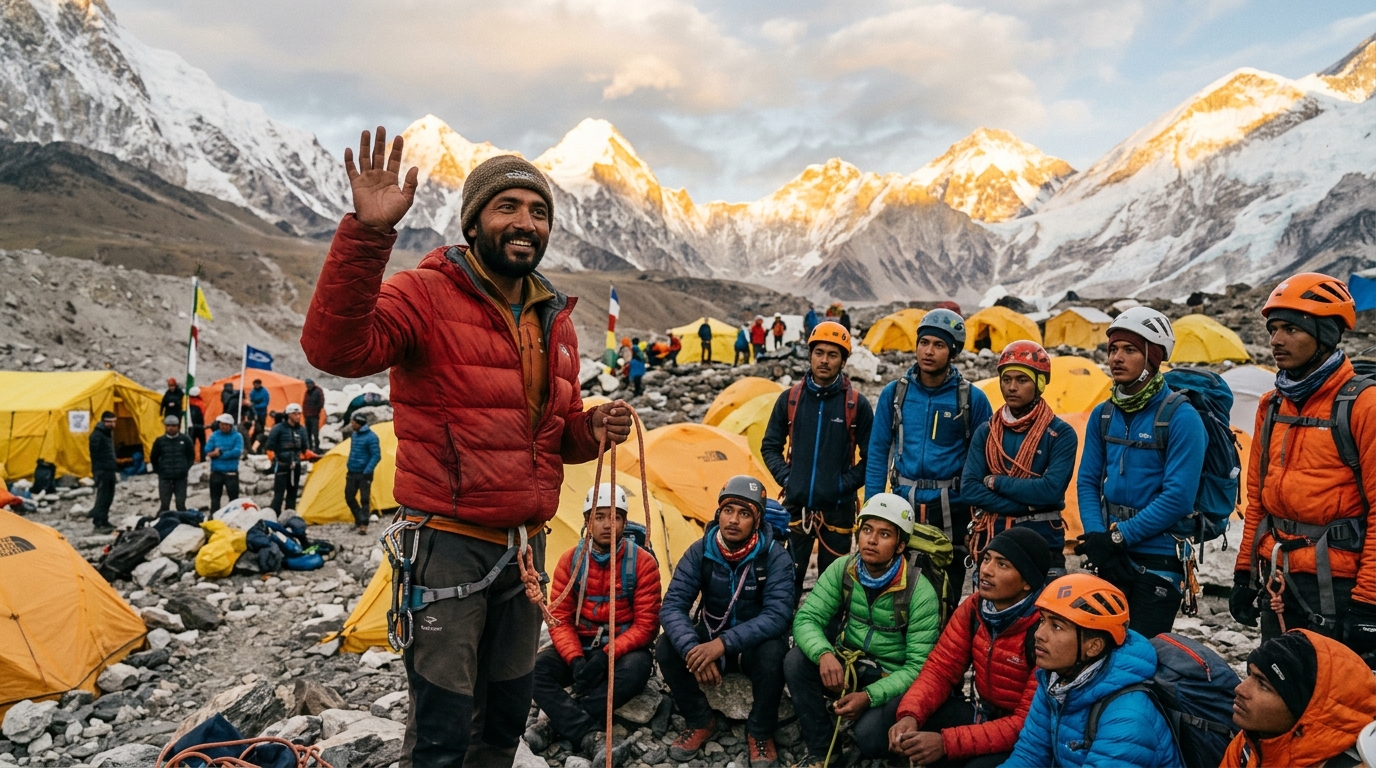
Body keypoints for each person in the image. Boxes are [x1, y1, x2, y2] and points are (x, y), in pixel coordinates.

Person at [300, 133, 630, 767]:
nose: (525, 223)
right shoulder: (424, 295)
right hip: (447, 545)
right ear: (474, 219)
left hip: (523, 552)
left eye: (538, 213)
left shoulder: (552, 317)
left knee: (504, 721)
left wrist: (592, 430)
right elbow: (334, 351)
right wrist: (368, 236)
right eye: (507, 207)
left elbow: (554, 432)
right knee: (444, 730)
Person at [1230, 274, 1376, 649]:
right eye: (1273, 329)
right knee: (1276, 695)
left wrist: (1368, 602)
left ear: (1326, 334)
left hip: (1341, 587)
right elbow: (1257, 499)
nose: (1276, 340)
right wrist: (1245, 573)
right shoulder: (1271, 405)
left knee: (1332, 702)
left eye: (1291, 329)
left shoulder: (1364, 405)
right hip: (1278, 578)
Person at [1075, 307, 1205, 638]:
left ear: (1153, 357)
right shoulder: (1103, 415)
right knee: (1096, 650)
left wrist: (1118, 537)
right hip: (1110, 552)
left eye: (1130, 350)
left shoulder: (1181, 417)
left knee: (1140, 656)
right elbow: (1089, 481)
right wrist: (1095, 537)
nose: (1116, 358)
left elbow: (1178, 498)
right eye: (1113, 349)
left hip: (1160, 558)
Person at [785, 493, 942, 765]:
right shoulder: (843, 569)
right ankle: (823, 752)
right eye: (867, 529)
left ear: (900, 545)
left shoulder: (920, 592)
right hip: (849, 663)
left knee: (869, 738)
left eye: (884, 534)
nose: (871, 539)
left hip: (891, 675)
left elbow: (918, 667)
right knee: (796, 661)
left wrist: (869, 698)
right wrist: (824, 654)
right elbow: (806, 618)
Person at [658, 476, 794, 766]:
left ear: (757, 521)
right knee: (667, 646)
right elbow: (672, 606)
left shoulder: (775, 557)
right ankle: (700, 720)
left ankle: (759, 730)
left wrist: (722, 645)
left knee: (775, 654)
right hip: (710, 633)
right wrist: (694, 649)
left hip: (752, 646)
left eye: (745, 513)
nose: (733, 520)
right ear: (718, 513)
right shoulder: (701, 550)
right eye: (728, 510)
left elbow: (778, 614)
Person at [889, 528, 1051, 768]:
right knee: (883, 726)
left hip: (1027, 735)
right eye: (986, 559)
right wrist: (910, 715)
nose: (986, 570)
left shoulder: (1043, 629)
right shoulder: (975, 608)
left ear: (1028, 581)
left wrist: (947, 743)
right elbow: (941, 669)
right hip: (981, 714)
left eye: (1002, 564)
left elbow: (1026, 722)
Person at [866, 308, 993, 612]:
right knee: (896, 589)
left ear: (953, 351)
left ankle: (940, 653)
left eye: (939, 345)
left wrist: (979, 514)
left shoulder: (972, 400)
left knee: (945, 591)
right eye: (924, 342)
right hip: (902, 505)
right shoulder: (894, 395)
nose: (929, 351)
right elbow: (878, 451)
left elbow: (985, 459)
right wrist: (873, 509)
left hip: (952, 508)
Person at [530, 484, 661, 766]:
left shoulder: (642, 564)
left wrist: (605, 656)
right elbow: (559, 617)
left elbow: (647, 625)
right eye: (598, 517)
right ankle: (590, 735)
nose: (606, 524)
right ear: (587, 521)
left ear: (624, 522)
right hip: (580, 644)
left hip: (622, 650)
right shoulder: (571, 561)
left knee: (636, 672)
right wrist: (575, 659)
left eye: (614, 517)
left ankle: (557, 724)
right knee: (534, 670)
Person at [1000, 573, 1182, 768]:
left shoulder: (1127, 716)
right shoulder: (1056, 680)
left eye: (1057, 626)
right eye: (1042, 620)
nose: (1038, 634)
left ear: (1093, 646)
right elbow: (1029, 756)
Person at [760, 321, 874, 605]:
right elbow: (770, 446)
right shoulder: (790, 400)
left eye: (833, 354)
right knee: (787, 579)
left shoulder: (856, 405)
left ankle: (827, 641)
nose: (825, 360)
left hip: (838, 511)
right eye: (819, 352)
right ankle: (782, 637)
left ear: (844, 361)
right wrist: (789, 479)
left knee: (832, 583)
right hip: (796, 507)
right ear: (809, 356)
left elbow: (871, 457)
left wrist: (841, 486)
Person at [961, 341, 1077, 576]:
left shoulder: (1060, 434)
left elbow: (1050, 491)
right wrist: (1026, 506)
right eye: (1006, 379)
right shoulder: (987, 431)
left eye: (1022, 380)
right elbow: (970, 489)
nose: (1012, 387)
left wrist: (996, 482)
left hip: (1042, 543)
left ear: (1040, 383)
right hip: (993, 542)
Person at [1221, 629, 1376, 767]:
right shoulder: (1250, 745)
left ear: (1307, 710)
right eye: (1250, 675)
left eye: (1263, 685)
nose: (1240, 689)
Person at [265, 403, 309, 514]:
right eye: (295, 414)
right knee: (279, 494)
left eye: (299, 414)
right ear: (288, 415)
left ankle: (290, 516)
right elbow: (269, 447)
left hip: (296, 465)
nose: (298, 416)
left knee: (292, 493)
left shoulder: (302, 430)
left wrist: (308, 456)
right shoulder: (278, 428)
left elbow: (305, 447)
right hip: (281, 464)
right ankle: (274, 515)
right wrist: (274, 460)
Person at [150, 414, 195, 512]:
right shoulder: (160, 441)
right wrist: (160, 471)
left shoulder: (185, 440)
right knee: (165, 505)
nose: (171, 428)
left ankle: (183, 523)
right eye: (168, 426)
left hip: (180, 478)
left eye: (174, 426)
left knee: (180, 504)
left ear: (178, 427)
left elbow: (191, 456)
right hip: (165, 477)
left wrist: (184, 468)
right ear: (165, 427)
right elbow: (154, 457)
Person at [345, 412, 381, 533]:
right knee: (349, 496)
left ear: (359, 423)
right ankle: (359, 518)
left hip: (364, 473)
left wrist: (367, 470)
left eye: (353, 422)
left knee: (364, 499)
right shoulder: (354, 435)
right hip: (352, 471)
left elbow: (376, 455)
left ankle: (364, 524)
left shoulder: (372, 437)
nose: (351, 424)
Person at [206, 413, 244, 511]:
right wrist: (214, 453)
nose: (223, 426)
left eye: (225, 424)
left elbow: (237, 452)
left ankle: (233, 516)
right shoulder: (214, 435)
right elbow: (207, 449)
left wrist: (220, 454)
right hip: (216, 472)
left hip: (231, 473)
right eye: (221, 424)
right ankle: (214, 517)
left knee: (233, 499)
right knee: (215, 499)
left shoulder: (237, 436)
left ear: (230, 425)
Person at [88, 410, 118, 534]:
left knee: (109, 497)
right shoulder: (97, 435)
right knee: (103, 497)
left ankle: (104, 520)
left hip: (110, 470)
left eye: (113, 422)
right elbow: (95, 454)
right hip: (103, 470)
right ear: (103, 421)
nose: (111, 424)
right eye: (109, 422)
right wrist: (98, 471)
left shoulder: (107, 433)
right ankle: (98, 522)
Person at [303, 378, 326, 452]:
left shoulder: (318, 391)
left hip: (314, 415)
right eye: (307, 385)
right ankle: (309, 447)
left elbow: (321, 402)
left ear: (313, 384)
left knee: (315, 432)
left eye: (309, 384)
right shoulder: (307, 392)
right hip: (307, 415)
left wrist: (316, 410)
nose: (308, 386)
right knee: (308, 433)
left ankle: (317, 447)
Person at [187, 386, 207, 461]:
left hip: (191, 426)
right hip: (200, 425)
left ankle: (191, 459)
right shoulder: (200, 403)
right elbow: (203, 413)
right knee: (203, 442)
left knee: (192, 443)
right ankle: (203, 458)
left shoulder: (187, 402)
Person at [249, 379, 271, 446]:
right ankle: (253, 443)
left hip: (262, 414)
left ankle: (259, 444)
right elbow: (251, 401)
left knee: (260, 430)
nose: (256, 385)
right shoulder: (252, 392)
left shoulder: (264, 392)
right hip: (254, 414)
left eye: (257, 384)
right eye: (255, 384)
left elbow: (265, 404)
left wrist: (254, 406)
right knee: (255, 429)